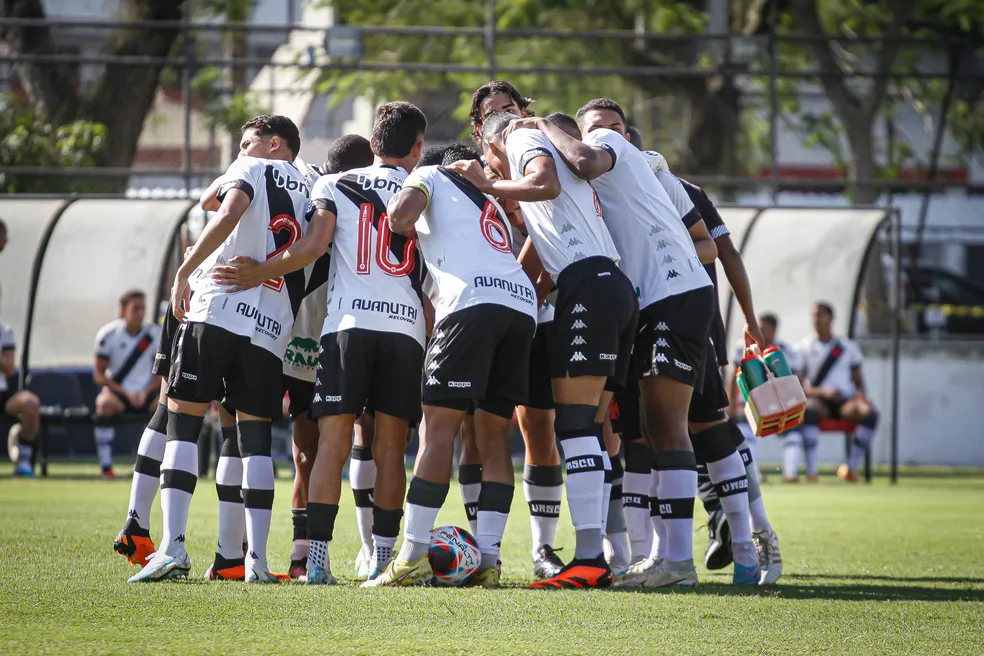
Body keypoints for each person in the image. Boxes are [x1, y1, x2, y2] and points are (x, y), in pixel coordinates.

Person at [212, 102, 429, 586]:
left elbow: (311, 247)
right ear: (417, 149)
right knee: (391, 447)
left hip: (348, 326)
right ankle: (383, 559)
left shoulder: (334, 184)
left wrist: (259, 272)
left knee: (332, 443)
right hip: (406, 328)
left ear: (373, 145)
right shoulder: (426, 187)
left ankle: (317, 562)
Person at [508, 100, 720, 588]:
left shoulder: (602, 146)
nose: (606, 133)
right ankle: (664, 557)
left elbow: (582, 159)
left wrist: (542, 126)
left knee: (668, 427)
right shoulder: (590, 191)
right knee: (650, 427)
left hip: (673, 292)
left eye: (610, 127)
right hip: (653, 300)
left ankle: (678, 562)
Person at [450, 108, 636, 590]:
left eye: (491, 163)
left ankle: (591, 559)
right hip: (610, 286)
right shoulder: (536, 150)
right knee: (587, 429)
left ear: (491, 146)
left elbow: (545, 182)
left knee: (573, 428)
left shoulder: (517, 139)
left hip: (588, 285)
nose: (493, 171)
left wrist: (489, 186)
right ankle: (598, 554)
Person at [129, 114, 311, 584]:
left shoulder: (250, 167)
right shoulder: (312, 182)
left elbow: (224, 209)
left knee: (181, 425)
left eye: (247, 143)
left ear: (275, 143)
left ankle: (172, 548)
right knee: (255, 446)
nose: (241, 151)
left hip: (220, 309)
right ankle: (255, 562)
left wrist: (184, 271)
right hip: (272, 327)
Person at [380, 142, 538, 587]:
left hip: (470, 304)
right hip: (520, 306)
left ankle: (409, 557)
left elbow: (399, 216)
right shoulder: (491, 198)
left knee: (437, 431)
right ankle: (488, 560)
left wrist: (409, 218)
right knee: (494, 438)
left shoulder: (430, 175)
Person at [470, 83, 566, 580]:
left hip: (542, 313)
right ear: (479, 129)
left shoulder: (545, 159)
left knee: (541, 430)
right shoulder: (471, 177)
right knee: (475, 431)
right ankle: (480, 548)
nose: (505, 118)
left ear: (526, 112)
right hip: (485, 318)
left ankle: (544, 550)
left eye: (511, 109)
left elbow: (551, 244)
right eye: (493, 114)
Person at [799, 302, 879, 483]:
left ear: (831, 318)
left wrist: (861, 396)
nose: (816, 320)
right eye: (813, 315)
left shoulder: (847, 346)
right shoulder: (804, 347)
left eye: (820, 315)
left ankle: (851, 468)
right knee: (809, 412)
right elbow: (798, 385)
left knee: (870, 414)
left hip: (845, 399)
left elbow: (858, 379)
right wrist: (822, 392)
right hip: (818, 399)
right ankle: (811, 471)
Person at [92, 290, 162, 478]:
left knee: (169, 405)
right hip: (120, 394)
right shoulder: (108, 335)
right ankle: (106, 466)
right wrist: (126, 392)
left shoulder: (155, 334)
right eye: (136, 308)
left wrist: (146, 391)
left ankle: (155, 464)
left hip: (147, 393)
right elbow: (99, 375)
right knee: (104, 404)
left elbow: (162, 372)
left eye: (143, 309)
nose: (140, 313)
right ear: (124, 309)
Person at [730, 313, 805, 484]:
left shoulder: (785, 351)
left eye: (764, 329)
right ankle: (754, 473)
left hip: (780, 404)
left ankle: (790, 475)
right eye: (758, 329)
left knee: (793, 427)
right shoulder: (743, 348)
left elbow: (797, 379)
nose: (760, 333)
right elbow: (734, 377)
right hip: (750, 404)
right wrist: (731, 403)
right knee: (744, 425)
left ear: (774, 330)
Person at [2, 317, 41, 478]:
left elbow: (9, 369)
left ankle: (23, 460)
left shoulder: (5, 332)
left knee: (30, 403)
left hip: (3, 393)